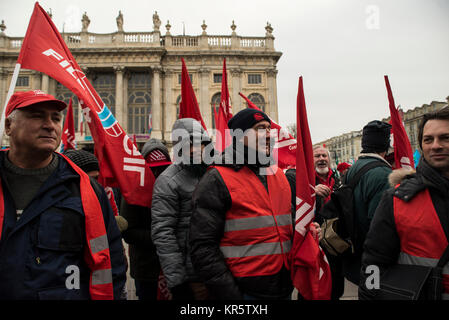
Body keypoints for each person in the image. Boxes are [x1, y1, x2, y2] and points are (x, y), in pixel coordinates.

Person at [0, 90, 127, 299]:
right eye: (37, 116)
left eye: (56, 118)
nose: (50, 125)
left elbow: (108, 265)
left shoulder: (86, 189)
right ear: (8, 126)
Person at [189, 108, 298, 300]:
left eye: (269, 129)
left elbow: (287, 225)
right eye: (259, 128)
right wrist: (231, 294)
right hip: (244, 292)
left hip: (284, 288)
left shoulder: (279, 175)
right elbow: (203, 246)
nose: (268, 135)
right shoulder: (217, 178)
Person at [359, 108, 449, 300]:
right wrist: (369, 296)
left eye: (445, 138)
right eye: (428, 140)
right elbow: (373, 264)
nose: (436, 146)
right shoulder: (397, 198)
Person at [151, 118, 212, 300]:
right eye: (187, 144)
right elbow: (163, 233)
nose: (194, 149)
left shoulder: (217, 172)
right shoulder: (167, 181)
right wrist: (179, 283)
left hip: (220, 272)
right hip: (192, 276)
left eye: (199, 143)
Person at [285, 145, 344, 300]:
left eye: (324, 156)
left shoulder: (339, 181)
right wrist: (311, 193)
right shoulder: (303, 182)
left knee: (335, 289)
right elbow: (292, 208)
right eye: (317, 156)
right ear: (311, 161)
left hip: (335, 248)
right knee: (311, 290)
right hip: (312, 245)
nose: (321, 159)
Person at [341, 120, 392, 287]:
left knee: (367, 293)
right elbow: (379, 224)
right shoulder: (384, 174)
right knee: (376, 292)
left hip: (355, 250)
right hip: (374, 257)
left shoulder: (354, 168)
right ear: (386, 146)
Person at [121, 138, 172, 300]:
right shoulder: (133, 191)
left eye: (162, 169)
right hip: (146, 269)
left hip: (172, 267)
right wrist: (160, 238)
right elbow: (128, 232)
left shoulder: (174, 187)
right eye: (153, 170)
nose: (157, 174)